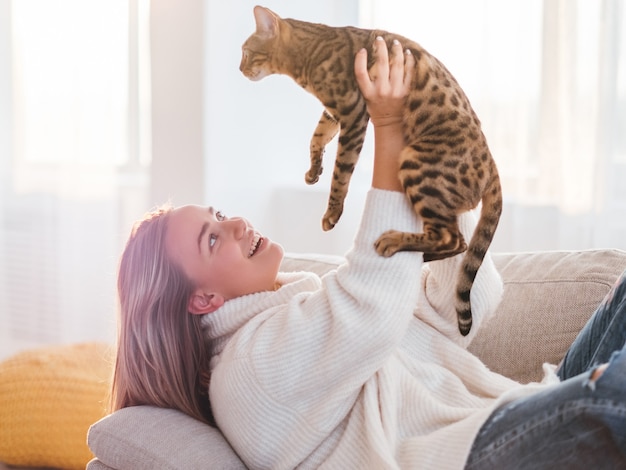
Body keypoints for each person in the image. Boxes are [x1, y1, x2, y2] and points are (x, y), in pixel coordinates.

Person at [111, 38, 626, 469]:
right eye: (212, 238)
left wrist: (436, 166)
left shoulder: (306, 310)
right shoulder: (245, 376)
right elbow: (372, 308)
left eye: (219, 215)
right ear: (201, 299)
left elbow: (459, 314)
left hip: (519, 411)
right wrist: (389, 131)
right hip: (479, 454)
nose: (237, 223)